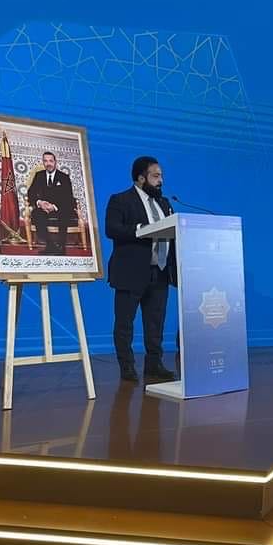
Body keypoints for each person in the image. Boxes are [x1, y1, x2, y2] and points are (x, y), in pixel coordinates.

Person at [105, 156, 178, 383]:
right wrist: (141, 229)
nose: (160, 180)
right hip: (131, 271)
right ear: (140, 178)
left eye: (161, 176)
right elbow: (112, 229)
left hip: (160, 271)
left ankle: (154, 364)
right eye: (155, 176)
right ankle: (127, 366)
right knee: (125, 323)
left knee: (155, 322)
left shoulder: (165, 203)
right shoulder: (120, 200)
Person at [27, 151, 74, 255]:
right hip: (44, 208)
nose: (48, 163)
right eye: (45, 161)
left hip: (60, 207)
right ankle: (50, 245)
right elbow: (31, 193)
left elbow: (68, 197)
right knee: (36, 213)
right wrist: (40, 203)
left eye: (51, 161)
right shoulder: (39, 175)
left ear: (55, 162)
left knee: (65, 213)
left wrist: (54, 206)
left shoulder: (64, 177)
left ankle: (61, 247)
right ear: (43, 162)